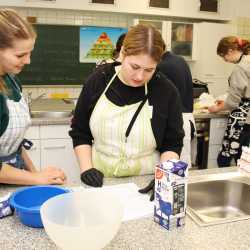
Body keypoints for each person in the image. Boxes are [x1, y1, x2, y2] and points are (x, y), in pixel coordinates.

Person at [69, 24, 184, 188]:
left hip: (146, 180)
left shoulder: (166, 91)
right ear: (123, 52)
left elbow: (172, 143)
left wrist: (164, 177)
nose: (139, 76)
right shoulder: (98, 80)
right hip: (100, 179)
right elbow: (80, 131)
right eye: (135, 67)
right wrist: (87, 169)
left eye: (149, 70)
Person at [0, 8, 66, 185]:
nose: (28, 61)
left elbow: (16, 144)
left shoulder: (12, 81)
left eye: (30, 53)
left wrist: (37, 176)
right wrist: (35, 178)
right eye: (20, 55)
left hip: (16, 176)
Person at [208, 36, 250, 167]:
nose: (224, 60)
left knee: (225, 157)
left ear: (231, 51)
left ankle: (223, 185)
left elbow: (233, 102)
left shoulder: (240, 68)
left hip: (241, 118)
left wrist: (217, 108)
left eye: (223, 55)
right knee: (244, 157)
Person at [157, 50, 195, 168]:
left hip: (174, 121)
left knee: (171, 169)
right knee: (181, 166)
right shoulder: (180, 59)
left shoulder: (162, 66)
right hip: (187, 119)